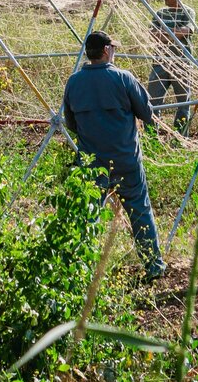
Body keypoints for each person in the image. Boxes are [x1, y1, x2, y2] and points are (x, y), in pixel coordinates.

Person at [62, 30, 166, 279]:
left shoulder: (73, 82)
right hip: (125, 160)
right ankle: (153, 267)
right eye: (114, 49)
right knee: (140, 211)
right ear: (107, 50)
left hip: (92, 163)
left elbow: (71, 123)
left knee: (88, 215)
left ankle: (80, 271)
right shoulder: (123, 78)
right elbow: (147, 114)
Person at [148, 0, 197, 132]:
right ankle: (152, 135)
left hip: (181, 64)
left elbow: (187, 31)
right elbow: (153, 34)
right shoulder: (160, 13)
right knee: (153, 101)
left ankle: (181, 137)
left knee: (183, 103)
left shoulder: (188, 12)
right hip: (160, 62)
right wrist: (174, 33)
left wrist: (166, 34)